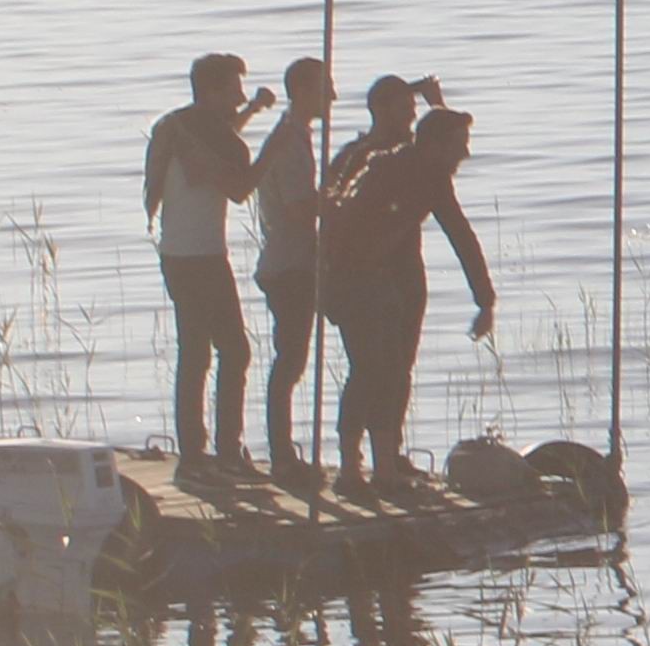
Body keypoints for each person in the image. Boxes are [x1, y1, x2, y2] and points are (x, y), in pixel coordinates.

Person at [318, 79, 495, 491]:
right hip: (353, 278)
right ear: (435, 146)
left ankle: (385, 466)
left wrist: (484, 299)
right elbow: (344, 225)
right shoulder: (387, 167)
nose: (465, 153)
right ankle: (351, 468)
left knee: (393, 370)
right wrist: (337, 286)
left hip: (386, 281)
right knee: (370, 369)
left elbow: (460, 234)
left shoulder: (430, 175)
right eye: (459, 144)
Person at [139, 54, 263, 461]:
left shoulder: (175, 125)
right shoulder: (213, 137)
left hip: (176, 253)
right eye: (233, 91)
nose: (239, 97)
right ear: (210, 92)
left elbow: (217, 138)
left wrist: (250, 112)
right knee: (230, 351)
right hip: (202, 257)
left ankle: (197, 448)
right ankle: (221, 448)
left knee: (196, 350)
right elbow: (239, 186)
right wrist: (278, 142)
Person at [247, 53, 343, 478]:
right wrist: (341, 201)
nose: (334, 96)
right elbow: (300, 208)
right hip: (288, 263)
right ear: (303, 92)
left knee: (294, 359)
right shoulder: (288, 141)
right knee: (290, 360)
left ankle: (284, 451)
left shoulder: (298, 135)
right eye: (325, 88)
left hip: (294, 259)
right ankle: (282, 455)